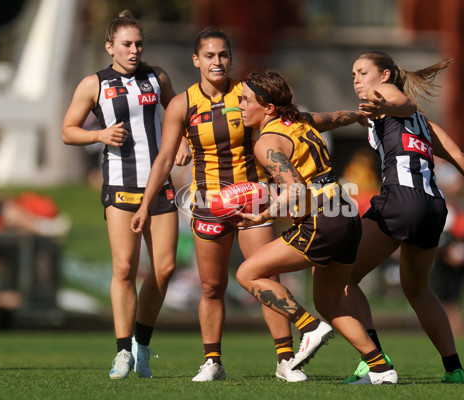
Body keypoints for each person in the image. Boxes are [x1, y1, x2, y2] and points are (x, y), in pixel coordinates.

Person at [130, 28, 368, 383]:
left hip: (255, 199)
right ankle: (213, 362)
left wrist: (353, 115)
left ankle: (285, 360)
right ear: (195, 60)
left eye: (223, 55)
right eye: (209, 55)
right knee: (211, 288)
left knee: (266, 278)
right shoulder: (182, 104)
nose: (217, 62)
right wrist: (145, 204)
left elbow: (303, 119)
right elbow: (165, 158)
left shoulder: (248, 95)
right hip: (209, 203)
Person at [338, 51, 464, 384]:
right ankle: (454, 369)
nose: (357, 79)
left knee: (342, 276)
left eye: (362, 72)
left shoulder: (387, 98)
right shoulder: (423, 122)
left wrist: (388, 107)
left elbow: (399, 104)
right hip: (434, 208)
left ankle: (374, 362)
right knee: (417, 289)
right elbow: (460, 155)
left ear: (386, 76)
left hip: (401, 201)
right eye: (353, 75)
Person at [234, 70, 408, 385]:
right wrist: (355, 115)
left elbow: (295, 189)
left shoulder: (266, 142)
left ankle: (310, 328)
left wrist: (263, 215)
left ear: (269, 108)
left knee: (247, 273)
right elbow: (328, 118)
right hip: (346, 214)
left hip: (323, 219)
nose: (240, 107)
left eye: (246, 100)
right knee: (328, 300)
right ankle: (381, 368)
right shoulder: (299, 120)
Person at [62, 10, 191, 379]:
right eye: (126, 44)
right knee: (124, 269)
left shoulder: (157, 77)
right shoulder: (94, 84)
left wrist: (183, 141)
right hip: (120, 184)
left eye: (138, 44)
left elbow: (180, 113)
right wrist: (98, 135)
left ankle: (142, 342)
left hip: (160, 184)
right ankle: (122, 352)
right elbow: (68, 131)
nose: (134, 50)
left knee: (164, 269)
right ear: (110, 47)